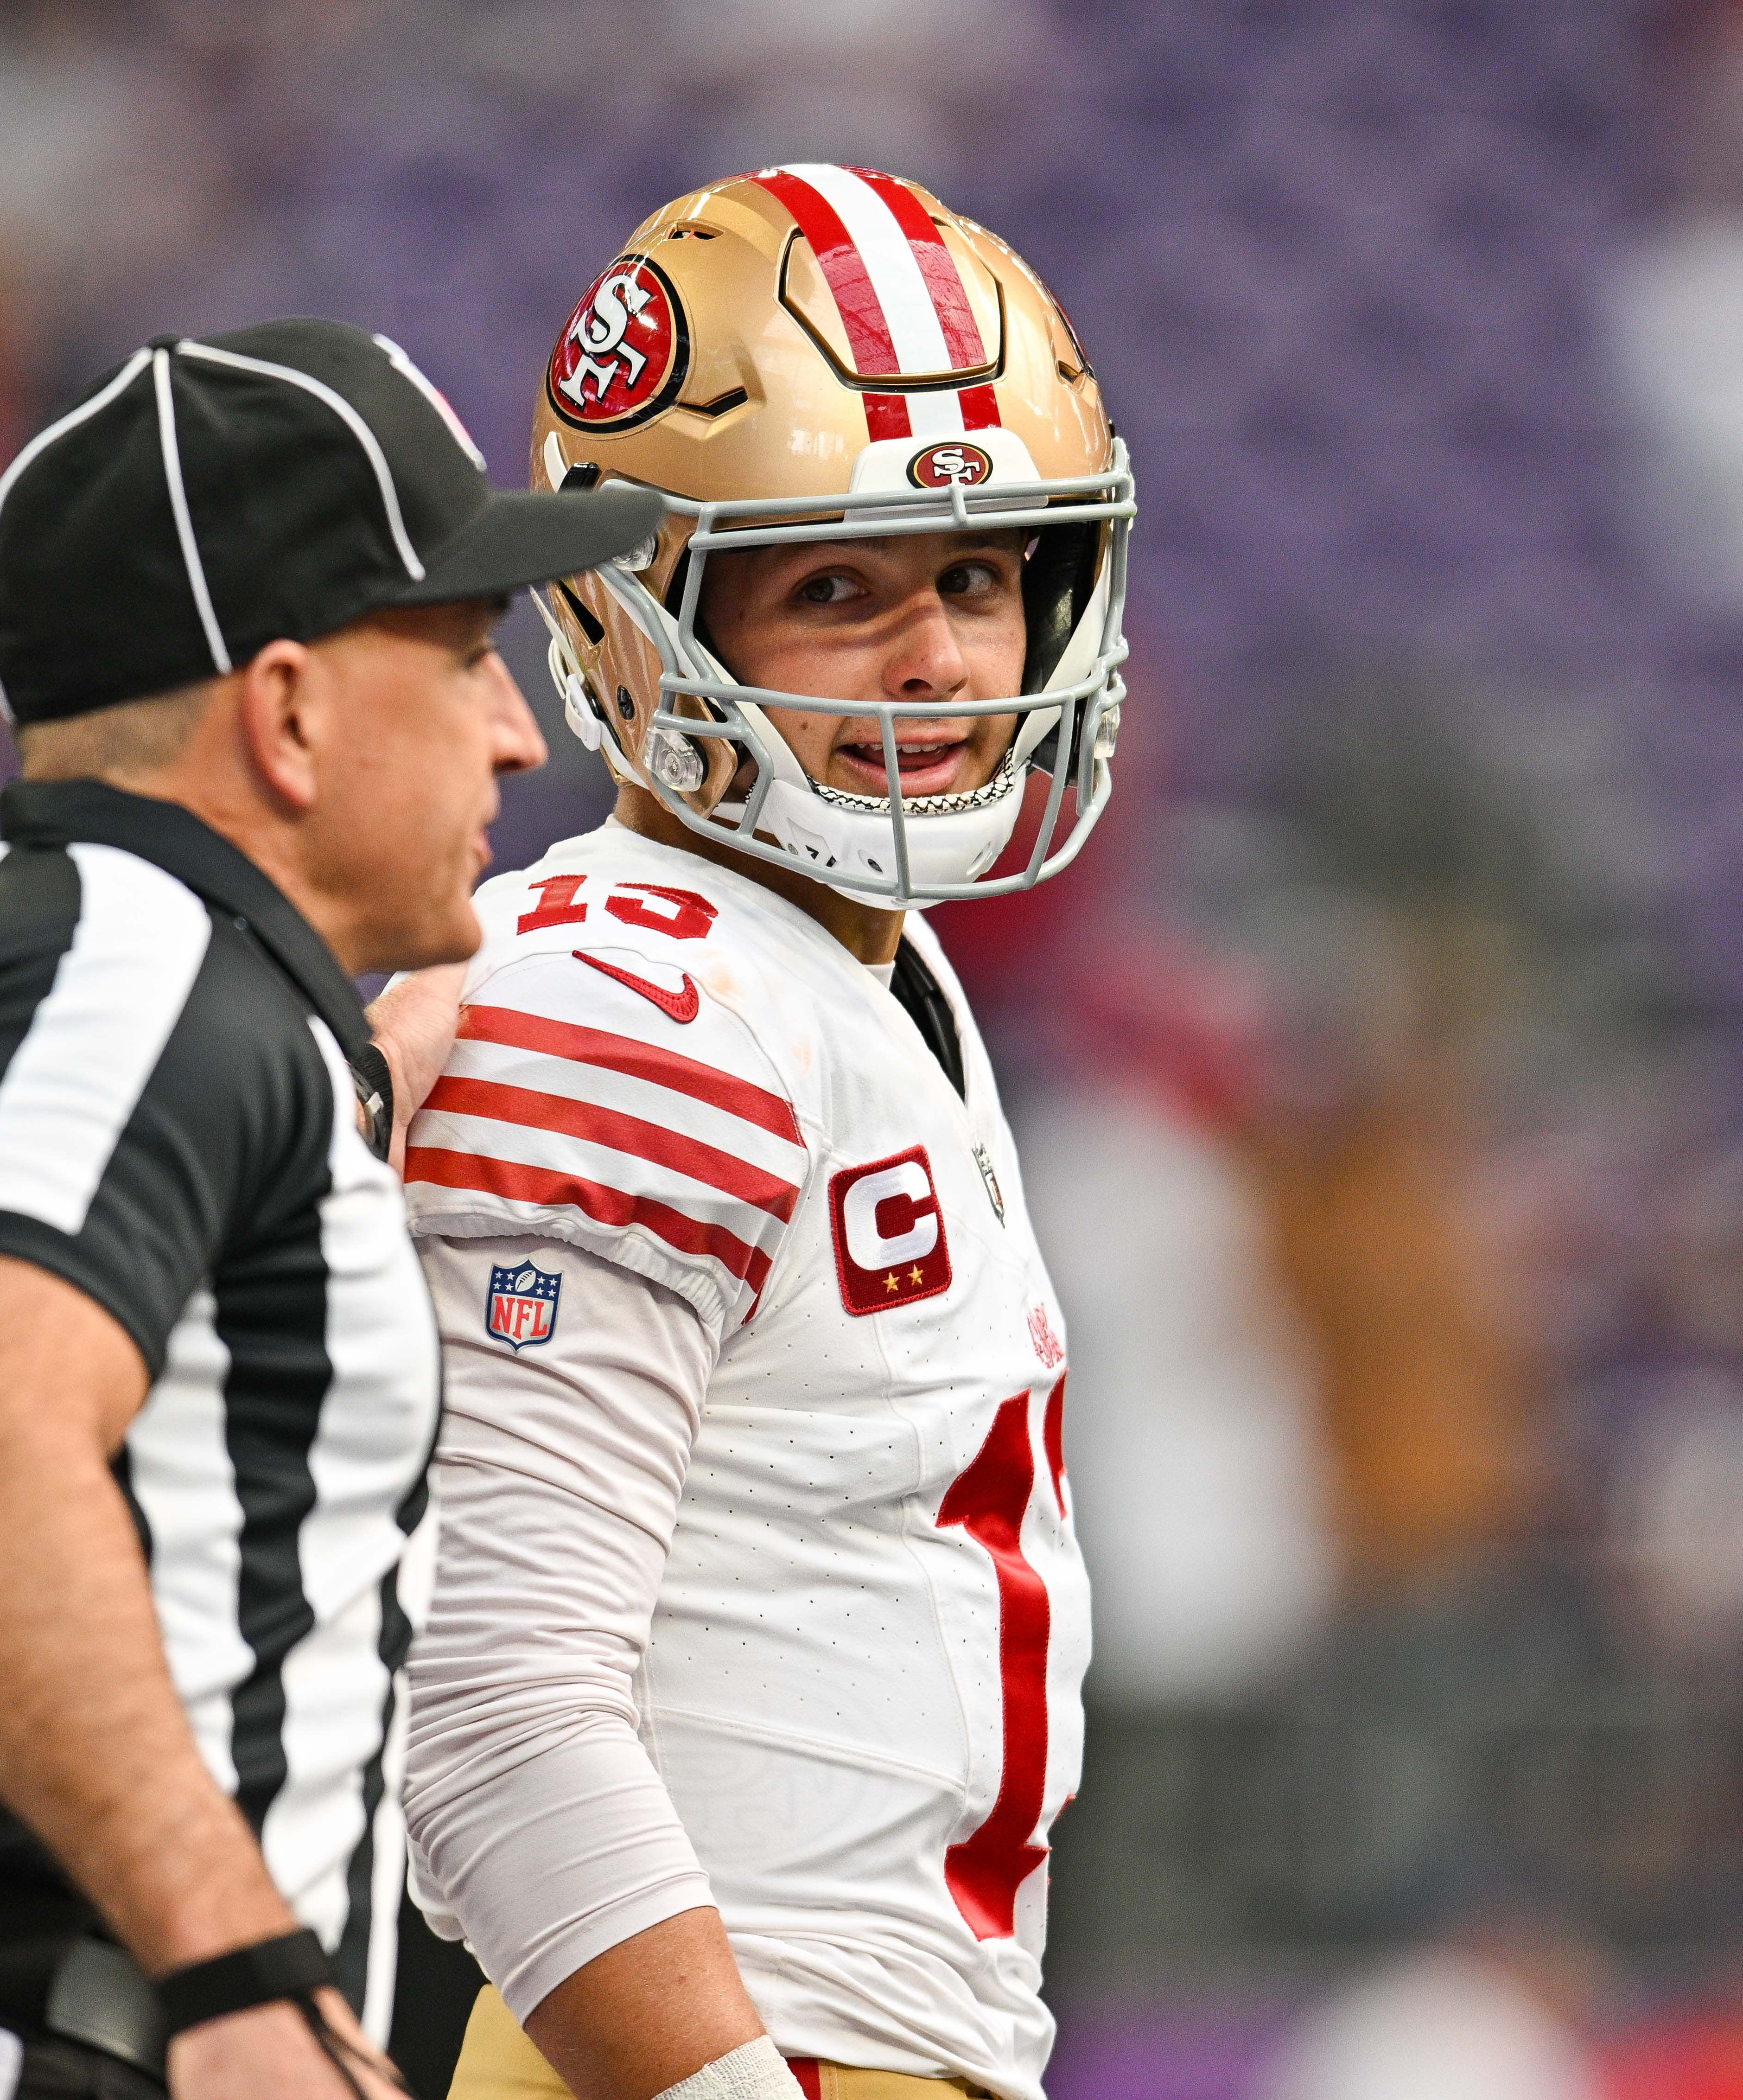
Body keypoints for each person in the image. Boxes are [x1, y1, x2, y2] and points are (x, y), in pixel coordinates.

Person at [0, 318, 663, 2100]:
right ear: (284, 711)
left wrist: (361, 1085)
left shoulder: (144, 978)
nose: (518, 733)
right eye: (457, 656)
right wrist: (236, 1974)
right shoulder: (110, 959)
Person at [384, 166, 1133, 2100]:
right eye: (836, 587)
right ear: (636, 620)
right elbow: (493, 1711)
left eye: (975, 576)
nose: (943, 660)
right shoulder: (633, 997)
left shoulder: (854, 970)